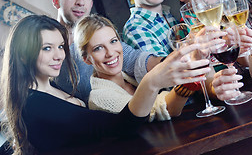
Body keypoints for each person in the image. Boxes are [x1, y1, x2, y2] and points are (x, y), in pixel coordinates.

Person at [0, 15, 213, 154]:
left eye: (60, 46)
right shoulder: (34, 104)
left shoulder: (52, 90)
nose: (58, 56)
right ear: (22, 54)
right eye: (47, 48)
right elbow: (119, 126)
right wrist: (152, 81)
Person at [73, 14, 229, 122]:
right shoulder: (99, 97)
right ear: (86, 59)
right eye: (98, 48)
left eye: (113, 41)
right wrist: (188, 74)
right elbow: (157, 111)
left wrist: (195, 60)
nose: (110, 53)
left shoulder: (129, 77)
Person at [52, 0, 162, 102]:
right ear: (56, 1)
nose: (81, 2)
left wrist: (173, 61)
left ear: (91, 3)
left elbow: (134, 58)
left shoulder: (98, 35)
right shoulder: (45, 47)